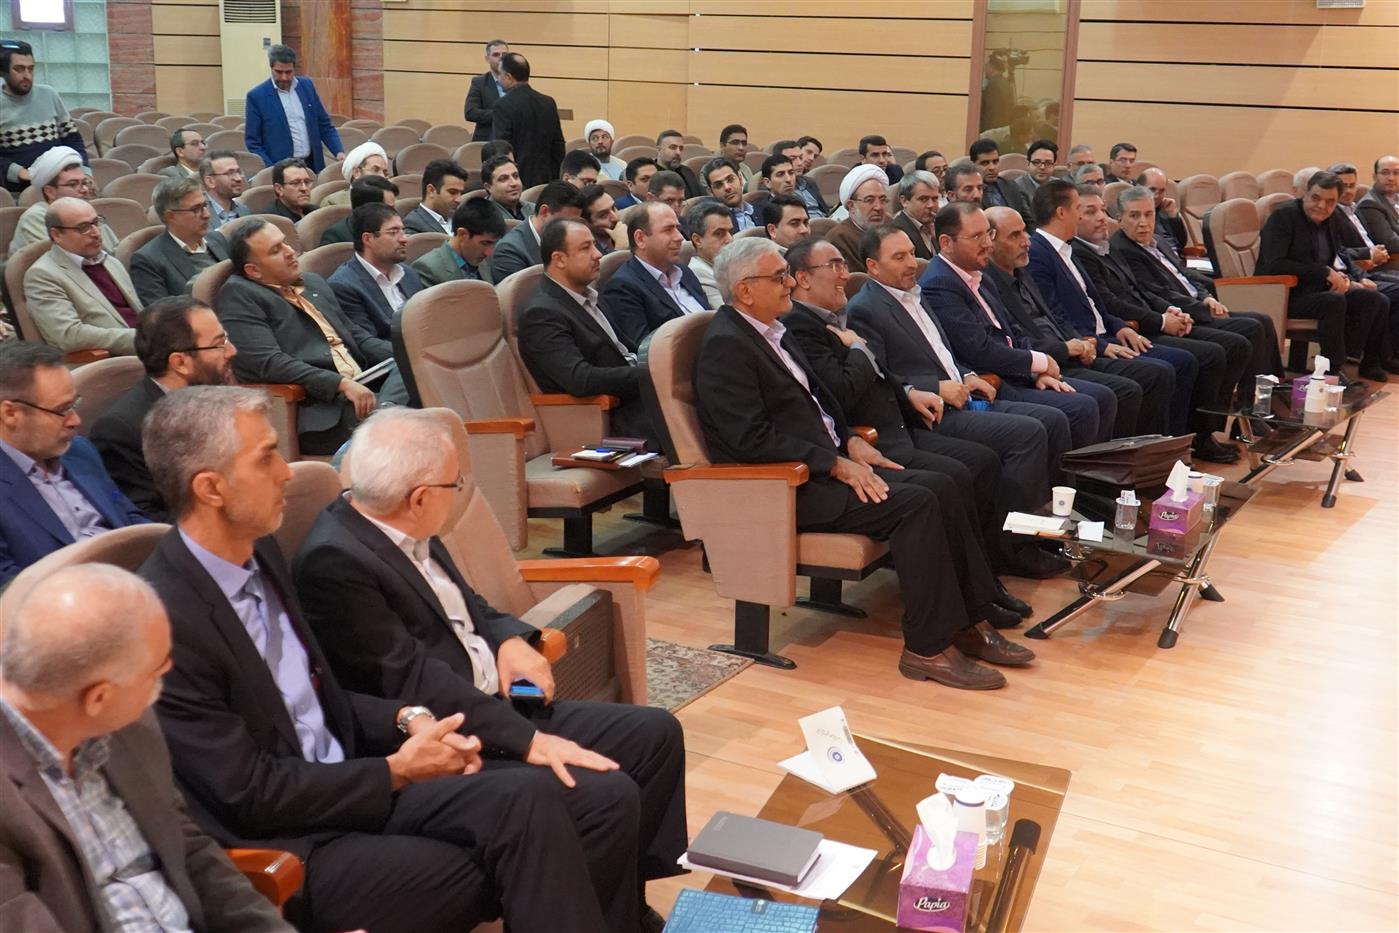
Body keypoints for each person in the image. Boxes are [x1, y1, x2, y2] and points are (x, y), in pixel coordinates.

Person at [138, 388, 659, 933]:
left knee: (538, 801)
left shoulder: (258, 551)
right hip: (293, 840)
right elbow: (251, 794)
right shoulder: (166, 620)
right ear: (211, 488)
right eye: (266, 456)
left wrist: (408, 719)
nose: (286, 472)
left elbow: (319, 700)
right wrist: (395, 771)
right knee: (517, 848)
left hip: (352, 776)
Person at [296, 408, 686, 927]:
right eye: (455, 482)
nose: (460, 490)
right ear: (419, 497)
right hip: (451, 729)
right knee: (606, 793)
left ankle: (622, 909)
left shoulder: (403, 522)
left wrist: (512, 641)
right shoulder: (335, 563)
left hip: (497, 700)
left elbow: (470, 607)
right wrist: (530, 742)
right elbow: (414, 680)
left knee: (654, 734)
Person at [695, 238, 1020, 688]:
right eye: (779, 277)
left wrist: (849, 441)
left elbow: (816, 406)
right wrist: (834, 462)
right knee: (917, 503)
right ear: (745, 290)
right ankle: (927, 648)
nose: (789, 283)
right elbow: (750, 439)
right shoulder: (726, 346)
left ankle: (968, 619)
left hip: (821, 465)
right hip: (785, 487)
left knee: (943, 486)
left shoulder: (771, 330)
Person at [0, 564, 293, 932]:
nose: (161, 688)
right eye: (157, 674)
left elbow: (189, 849)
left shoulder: (128, 728)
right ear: (99, 697)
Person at [782, 235, 1031, 618]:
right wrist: (858, 348)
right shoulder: (800, 326)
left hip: (897, 421)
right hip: (875, 435)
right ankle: (975, 596)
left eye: (843, 265)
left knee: (982, 462)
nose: (845, 275)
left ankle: (986, 580)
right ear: (802, 278)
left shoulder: (831, 315)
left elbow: (881, 374)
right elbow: (841, 391)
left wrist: (909, 392)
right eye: (834, 266)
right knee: (954, 476)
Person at [845, 226, 1066, 564]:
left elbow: (941, 355)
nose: (911, 263)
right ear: (873, 267)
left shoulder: (915, 293)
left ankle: (1039, 533)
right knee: (1028, 433)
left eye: (911, 253)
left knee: (1051, 420)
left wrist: (967, 375)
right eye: (899, 257)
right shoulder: (866, 308)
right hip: (926, 413)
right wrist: (935, 387)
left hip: (961, 394)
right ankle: (1014, 549)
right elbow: (880, 377)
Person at [1026, 179, 1208, 454]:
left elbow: (1097, 303)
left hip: (1105, 335)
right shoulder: (1040, 253)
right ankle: (1142, 456)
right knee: (1155, 373)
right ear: (1062, 213)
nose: (1086, 217)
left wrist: (1120, 326)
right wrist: (1099, 344)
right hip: (1085, 345)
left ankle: (1165, 450)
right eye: (1080, 209)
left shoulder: (1066, 248)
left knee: (1178, 363)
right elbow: (1054, 314)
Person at [1073, 186, 1247, 463]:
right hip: (1129, 328)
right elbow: (1110, 303)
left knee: (1232, 342)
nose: (1102, 218)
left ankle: (1195, 437)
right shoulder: (1084, 252)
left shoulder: (1105, 246)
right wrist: (1162, 320)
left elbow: (1141, 291)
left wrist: (1170, 311)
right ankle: (1176, 447)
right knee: (1199, 356)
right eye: (1090, 212)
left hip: (1143, 319)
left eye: (1102, 210)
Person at [923, 205, 1116, 449]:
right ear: (946, 243)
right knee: (1081, 407)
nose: (988, 244)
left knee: (1102, 397)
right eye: (976, 237)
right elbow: (980, 351)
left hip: (1016, 371)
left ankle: (1096, 471)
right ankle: (1070, 475)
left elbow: (1013, 333)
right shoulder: (939, 283)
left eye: (988, 234)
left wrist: (1038, 370)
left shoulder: (980, 275)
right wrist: (1040, 362)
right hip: (993, 381)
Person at [984, 206, 1165, 439]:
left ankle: (1145, 452)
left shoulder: (1022, 272)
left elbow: (1056, 316)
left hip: (1067, 351)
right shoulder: (989, 284)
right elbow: (1016, 340)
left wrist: (1083, 342)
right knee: (1115, 392)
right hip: (1045, 360)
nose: (1026, 241)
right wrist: (1065, 349)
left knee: (1150, 375)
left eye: (1024, 232)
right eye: (1014, 235)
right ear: (990, 242)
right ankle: (1115, 459)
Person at [216, 218, 385, 455]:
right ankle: (389, 410)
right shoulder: (239, 295)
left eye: (285, 243)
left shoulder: (312, 282)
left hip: (365, 385)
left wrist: (404, 352)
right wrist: (340, 383)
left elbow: (355, 335)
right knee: (404, 418)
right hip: (322, 410)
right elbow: (268, 363)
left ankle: (389, 405)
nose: (290, 252)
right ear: (254, 271)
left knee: (413, 373)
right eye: (276, 250)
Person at [1113, 185, 1284, 406]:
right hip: (1182, 313)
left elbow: (1184, 273)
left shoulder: (1158, 240)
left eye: (1148, 214)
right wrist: (1203, 308)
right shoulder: (1123, 249)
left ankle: (1270, 395)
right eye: (1134, 216)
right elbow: (1158, 292)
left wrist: (1206, 296)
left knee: (1263, 320)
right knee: (1250, 329)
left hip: (1197, 303)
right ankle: (1249, 405)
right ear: (1120, 219)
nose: (1143, 222)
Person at [0, 342, 148, 584]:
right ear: (10, 414)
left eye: (74, 405)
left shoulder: (79, 451)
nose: (75, 420)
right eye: (62, 410)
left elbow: (129, 516)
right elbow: (8, 588)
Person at [90, 297, 235, 523]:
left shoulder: (221, 397)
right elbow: (147, 521)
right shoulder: (123, 431)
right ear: (180, 363)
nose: (231, 351)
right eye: (219, 344)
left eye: (225, 338)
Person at [518, 219, 656, 440]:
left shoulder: (588, 294)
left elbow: (625, 350)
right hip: (611, 417)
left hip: (641, 399)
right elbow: (580, 379)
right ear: (559, 259)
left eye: (594, 245)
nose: (598, 254)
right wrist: (650, 373)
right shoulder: (541, 314)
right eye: (585, 248)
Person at [1257, 171, 1394, 380]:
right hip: (1284, 293)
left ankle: (1366, 362)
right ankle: (1332, 370)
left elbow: (1343, 251)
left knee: (1375, 299)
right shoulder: (1283, 216)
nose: (1322, 206)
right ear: (1305, 194)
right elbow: (1275, 264)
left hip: (1317, 288)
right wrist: (1325, 272)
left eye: (1330, 201)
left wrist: (1349, 278)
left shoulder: (1333, 217)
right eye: (1316, 198)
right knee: (1333, 301)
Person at [23, 196, 142, 355]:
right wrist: (142, 338)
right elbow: (68, 335)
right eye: (83, 227)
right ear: (57, 235)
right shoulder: (43, 275)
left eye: (96, 222)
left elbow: (138, 313)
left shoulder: (111, 262)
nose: (96, 233)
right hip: (114, 359)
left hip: (152, 348)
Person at [601, 201, 710, 351]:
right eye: (668, 230)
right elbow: (645, 351)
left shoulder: (684, 272)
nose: (679, 237)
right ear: (640, 239)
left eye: (678, 229)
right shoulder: (622, 288)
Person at [329, 203, 426, 351]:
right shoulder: (343, 286)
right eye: (393, 232)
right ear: (367, 239)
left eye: (403, 231)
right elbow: (369, 345)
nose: (404, 239)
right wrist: (419, 355)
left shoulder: (408, 273)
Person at [0, 38, 88, 194]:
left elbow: (73, 139)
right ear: (4, 71)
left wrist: (85, 172)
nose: (27, 75)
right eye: (19, 69)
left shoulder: (49, 94)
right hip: (19, 190)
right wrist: (19, 172)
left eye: (31, 69)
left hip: (62, 185)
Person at [129, 177, 231, 307]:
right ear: (171, 216)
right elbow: (163, 313)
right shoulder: (148, 261)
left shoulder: (217, 239)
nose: (207, 215)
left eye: (205, 205)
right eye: (196, 209)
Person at [243, 44, 343, 173]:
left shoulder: (306, 86)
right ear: (271, 68)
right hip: (280, 168)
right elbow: (253, 143)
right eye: (279, 72)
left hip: (312, 165)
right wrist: (272, 169)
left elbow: (324, 125)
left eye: (288, 72)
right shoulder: (257, 96)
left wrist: (338, 152)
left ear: (294, 69)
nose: (284, 77)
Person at [8, 146, 117, 255]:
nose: (84, 189)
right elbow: (67, 258)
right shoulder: (36, 217)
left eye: (84, 183)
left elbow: (114, 251)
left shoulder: (88, 212)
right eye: (73, 184)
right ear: (50, 191)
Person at [491, 53, 565, 189]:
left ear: (508, 77)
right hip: (547, 179)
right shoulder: (548, 102)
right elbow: (558, 145)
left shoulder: (503, 105)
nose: (499, 79)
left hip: (516, 181)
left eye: (500, 74)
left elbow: (501, 148)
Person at [487, 181, 582, 282]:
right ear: (544, 212)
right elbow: (521, 292)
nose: (570, 229)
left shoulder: (569, 241)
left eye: (575, 222)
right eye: (565, 222)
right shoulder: (509, 251)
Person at [413, 197, 506, 287]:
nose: (489, 253)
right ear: (462, 234)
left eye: (494, 244)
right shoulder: (428, 269)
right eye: (485, 243)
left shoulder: (482, 262)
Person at [826, 164, 890, 269]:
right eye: (869, 200)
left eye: (883, 200)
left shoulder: (891, 225)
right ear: (851, 206)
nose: (878, 207)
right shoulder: (839, 238)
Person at [320, 175, 398, 246]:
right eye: (389, 208)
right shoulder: (336, 237)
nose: (395, 213)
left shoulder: (396, 226)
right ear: (368, 209)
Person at [686, 201, 733, 306]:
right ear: (698, 240)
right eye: (719, 234)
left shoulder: (735, 264)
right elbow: (730, 314)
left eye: (731, 232)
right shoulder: (699, 274)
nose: (729, 239)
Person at [403, 159, 468, 235]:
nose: (459, 200)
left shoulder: (464, 220)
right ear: (431, 190)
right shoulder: (413, 224)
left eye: (461, 193)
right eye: (452, 192)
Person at [1356, 155, 1399, 267]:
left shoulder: (1396, 198)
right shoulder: (1369, 204)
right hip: (1389, 264)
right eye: (1385, 173)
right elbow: (1390, 243)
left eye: (1396, 173)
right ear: (1375, 177)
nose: (1391, 178)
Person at [464, 39, 510, 141]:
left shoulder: (516, 81)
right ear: (487, 59)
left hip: (512, 139)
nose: (501, 58)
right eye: (496, 55)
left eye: (504, 55)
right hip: (487, 140)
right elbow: (470, 112)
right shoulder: (479, 82)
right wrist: (501, 115)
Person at [321, 140, 390, 207]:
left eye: (385, 173)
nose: (382, 176)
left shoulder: (390, 199)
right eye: (375, 170)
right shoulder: (333, 202)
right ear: (356, 172)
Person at [1136, 167, 1189, 252]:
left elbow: (1181, 243)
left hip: (1174, 257)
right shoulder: (1133, 214)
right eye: (1152, 190)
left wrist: (1173, 217)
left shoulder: (1166, 209)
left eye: (1161, 191)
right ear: (1139, 188)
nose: (1157, 196)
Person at [893, 170, 941, 260]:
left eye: (935, 199)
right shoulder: (895, 232)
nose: (931, 205)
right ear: (904, 201)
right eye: (923, 199)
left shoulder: (938, 225)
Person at [969, 139, 1025, 216]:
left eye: (995, 162)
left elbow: (1027, 219)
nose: (992, 167)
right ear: (973, 165)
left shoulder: (1011, 186)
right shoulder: (969, 192)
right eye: (985, 163)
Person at [702, 156, 756, 231]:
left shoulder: (762, 210)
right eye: (718, 185)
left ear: (740, 179)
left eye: (730, 180)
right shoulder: (712, 224)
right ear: (711, 191)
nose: (727, 187)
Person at [201, 149, 250, 228]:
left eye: (238, 172)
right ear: (210, 181)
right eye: (230, 173)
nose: (238, 178)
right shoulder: (198, 214)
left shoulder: (244, 210)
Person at [1013, 139, 1058, 222]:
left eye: (1048, 163)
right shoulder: (1016, 187)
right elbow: (1028, 220)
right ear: (1027, 164)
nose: (1042, 167)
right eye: (1037, 162)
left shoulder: (1059, 186)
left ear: (1054, 165)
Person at [481, 154, 534, 223]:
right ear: (488, 187)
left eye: (516, 176)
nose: (514, 183)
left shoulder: (534, 210)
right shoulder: (483, 217)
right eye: (503, 179)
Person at [653, 129, 702, 198]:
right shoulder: (649, 175)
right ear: (659, 150)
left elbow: (698, 199)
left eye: (681, 148)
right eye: (673, 147)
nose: (678, 152)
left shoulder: (687, 172)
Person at [266, 158, 315, 222]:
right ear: (279, 189)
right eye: (295, 183)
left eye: (307, 182)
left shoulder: (315, 212)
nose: (304, 188)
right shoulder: (272, 221)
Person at [579, 183, 620, 255]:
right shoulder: (587, 253)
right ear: (586, 223)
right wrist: (622, 249)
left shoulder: (631, 231)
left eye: (613, 208)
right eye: (603, 215)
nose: (615, 218)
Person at [980, 52, 1014, 132]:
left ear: (992, 67)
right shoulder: (1005, 83)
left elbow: (991, 111)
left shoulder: (993, 85)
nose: (984, 68)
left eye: (987, 65)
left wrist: (986, 131)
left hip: (991, 129)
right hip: (1001, 127)